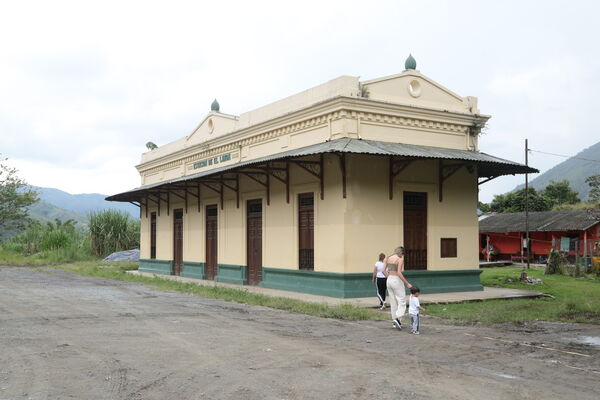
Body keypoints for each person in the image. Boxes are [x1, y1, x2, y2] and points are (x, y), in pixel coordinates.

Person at [385, 246, 413, 330]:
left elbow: (383, 270)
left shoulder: (388, 258)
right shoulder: (399, 259)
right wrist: (407, 283)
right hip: (396, 280)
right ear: (400, 253)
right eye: (402, 254)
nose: (402, 256)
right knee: (402, 301)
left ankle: (395, 321)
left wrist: (389, 277)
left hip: (389, 279)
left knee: (393, 301)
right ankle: (397, 318)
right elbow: (399, 273)